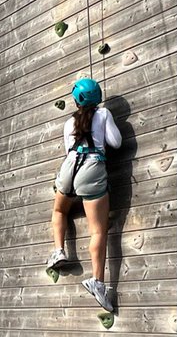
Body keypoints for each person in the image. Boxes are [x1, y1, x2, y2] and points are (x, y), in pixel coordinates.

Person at [47, 77, 122, 313]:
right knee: (98, 230)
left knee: (60, 210)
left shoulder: (68, 123)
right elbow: (116, 143)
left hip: (69, 166)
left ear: (76, 99)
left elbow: (66, 148)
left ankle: (59, 250)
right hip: (92, 166)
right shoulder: (104, 114)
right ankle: (97, 281)